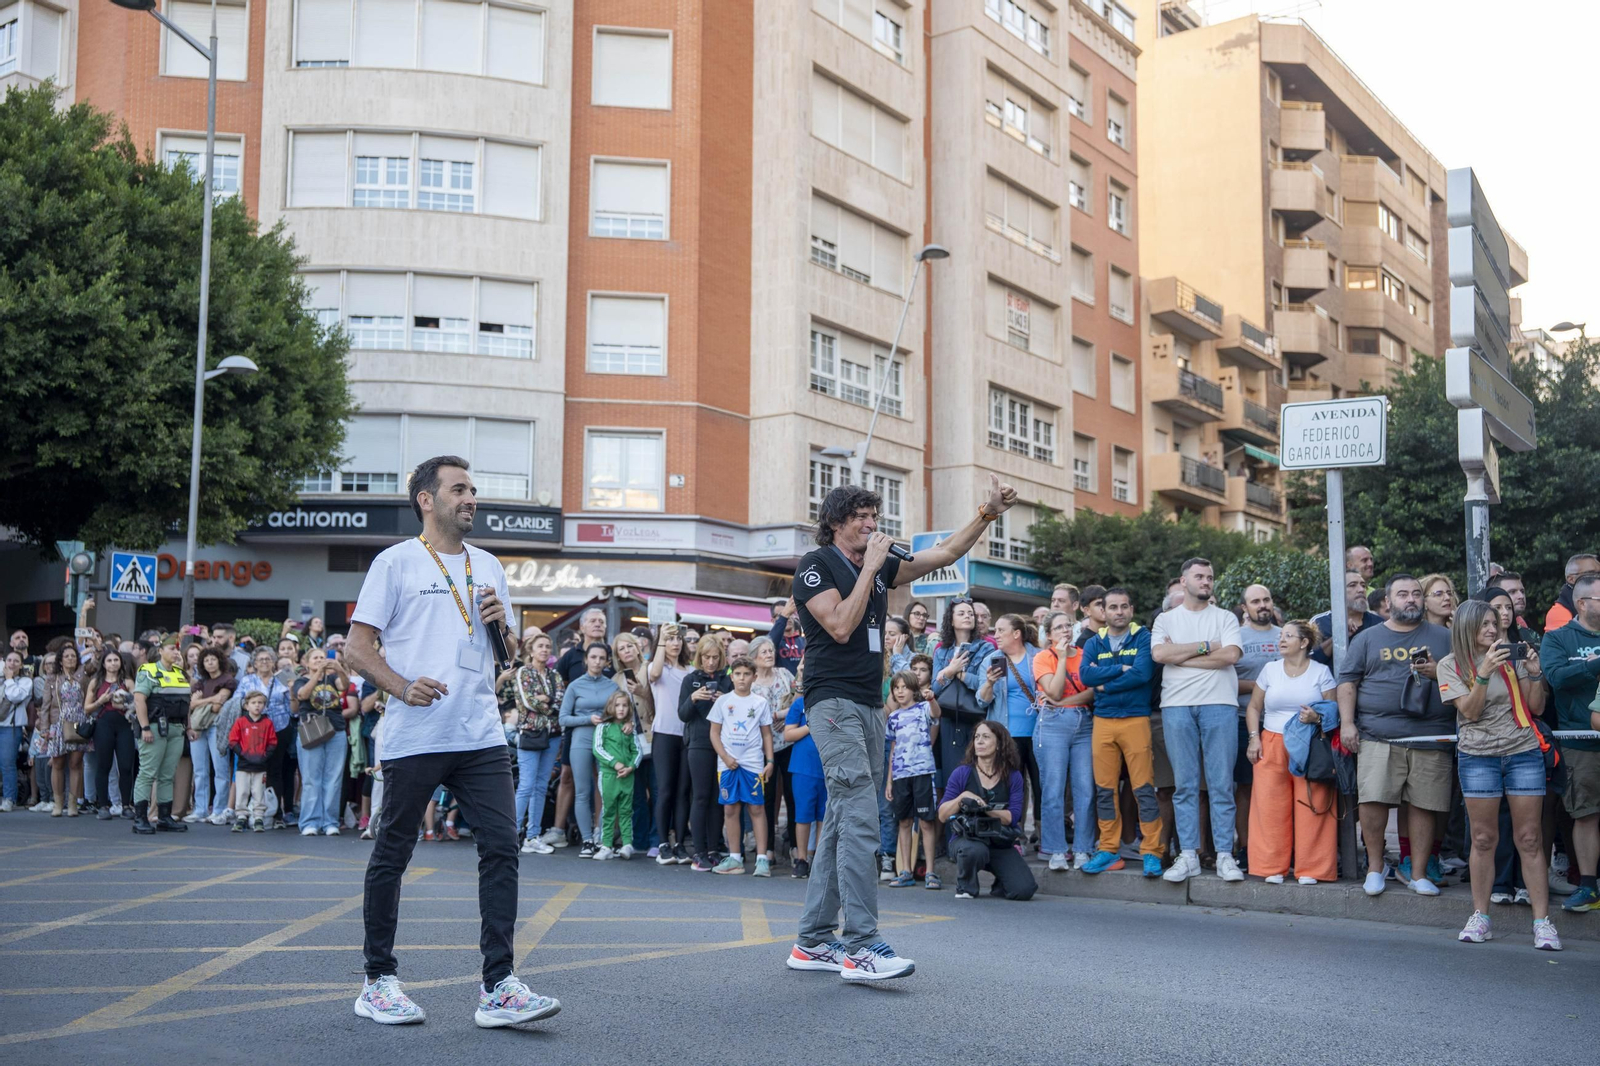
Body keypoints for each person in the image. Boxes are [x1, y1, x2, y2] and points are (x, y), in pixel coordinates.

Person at [342, 455, 559, 1028]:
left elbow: (505, 658)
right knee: (393, 853)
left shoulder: (488, 565)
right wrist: (401, 685)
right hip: (415, 734)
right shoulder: (395, 563)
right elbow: (357, 649)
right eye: (458, 489)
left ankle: (499, 986)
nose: (471, 498)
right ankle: (378, 980)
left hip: (480, 732)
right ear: (426, 499)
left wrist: (502, 628)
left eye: (473, 489)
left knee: (501, 848)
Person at [787, 474, 1017, 983]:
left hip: (869, 705)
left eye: (875, 518)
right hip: (832, 703)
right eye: (862, 519)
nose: (873, 525)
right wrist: (871, 566)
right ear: (836, 523)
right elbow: (841, 625)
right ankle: (862, 945)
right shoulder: (815, 567)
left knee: (846, 821)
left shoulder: (880, 561)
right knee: (861, 815)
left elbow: (944, 554)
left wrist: (987, 512)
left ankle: (812, 940)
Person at [1438, 599, 1560, 949]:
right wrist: (1485, 672)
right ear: (1465, 628)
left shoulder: (1511, 658)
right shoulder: (1450, 665)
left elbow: (1536, 707)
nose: (1493, 629)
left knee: (1530, 838)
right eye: (1485, 624)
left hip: (1522, 752)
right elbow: (1471, 712)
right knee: (1483, 839)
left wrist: (1534, 672)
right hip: (1478, 757)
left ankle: (1542, 922)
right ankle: (1481, 916)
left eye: (1495, 623)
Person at [1336, 573, 1454, 897]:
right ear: (1388, 602)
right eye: (1403, 594)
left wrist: (1439, 670)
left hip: (1431, 735)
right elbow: (1347, 681)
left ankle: (1417, 873)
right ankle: (1375, 867)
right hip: (1378, 733)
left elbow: (1466, 676)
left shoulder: (1445, 637)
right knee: (1373, 800)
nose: (1411, 599)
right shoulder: (1368, 638)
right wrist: (1348, 724)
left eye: (1416, 593)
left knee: (1424, 804)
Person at [1153, 558, 1245, 884]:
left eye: (1210, 576)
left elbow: (1231, 656)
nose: (1206, 581)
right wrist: (1207, 648)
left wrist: (1183, 657)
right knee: (1185, 786)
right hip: (1177, 706)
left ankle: (1224, 856)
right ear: (1184, 581)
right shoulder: (1165, 619)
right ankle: (1188, 855)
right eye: (1200, 576)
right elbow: (1160, 656)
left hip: (1219, 704)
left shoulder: (1225, 618)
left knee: (1221, 785)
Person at [1244, 619, 1337, 884]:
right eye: (1281, 636)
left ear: (1304, 643)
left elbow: (1332, 712)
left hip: (1309, 743)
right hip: (1271, 741)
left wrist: (1317, 718)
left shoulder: (1320, 672)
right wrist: (1254, 738)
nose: (1281, 640)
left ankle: (1313, 868)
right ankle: (1270, 866)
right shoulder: (1270, 670)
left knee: (1313, 802)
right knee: (1269, 806)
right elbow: (1253, 707)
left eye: (1288, 636)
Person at [1079, 588, 1162, 876]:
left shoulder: (1144, 638)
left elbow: (1142, 674)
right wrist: (1120, 668)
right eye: (1112, 607)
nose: (1118, 612)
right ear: (1104, 610)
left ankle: (1152, 851)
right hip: (1103, 721)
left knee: (1143, 789)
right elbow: (1084, 676)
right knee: (1105, 790)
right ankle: (1108, 849)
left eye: (1123, 606)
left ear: (1131, 609)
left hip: (1136, 719)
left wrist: (1104, 684)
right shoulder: (1093, 642)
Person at [1541, 570, 1600, 912]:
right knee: (1586, 815)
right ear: (1582, 602)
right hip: (1581, 742)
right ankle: (1589, 887)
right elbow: (1557, 678)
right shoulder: (1559, 638)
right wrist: (1595, 665)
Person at [938, 720, 1036, 902]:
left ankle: (1001, 883)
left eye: (986, 737)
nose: (979, 742)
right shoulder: (962, 773)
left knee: (1024, 890)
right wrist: (962, 798)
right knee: (973, 851)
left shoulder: (1013, 776)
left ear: (999, 744)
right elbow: (943, 814)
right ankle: (966, 886)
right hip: (967, 840)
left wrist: (985, 808)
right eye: (976, 737)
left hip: (999, 841)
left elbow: (1012, 817)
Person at [971, 615, 1043, 852]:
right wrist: (989, 683)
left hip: (1040, 731)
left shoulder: (1037, 656)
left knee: (1042, 783)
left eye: (1001, 630)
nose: (996, 634)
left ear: (1017, 634)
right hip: (1006, 734)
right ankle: (1016, 835)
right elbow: (982, 701)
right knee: (1013, 784)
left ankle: (1043, 835)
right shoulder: (992, 659)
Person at [1033, 610, 1096, 870]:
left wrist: (1065, 702)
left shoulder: (1084, 655)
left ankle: (1083, 848)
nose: (1065, 631)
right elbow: (1054, 689)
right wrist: (1060, 658)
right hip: (1053, 725)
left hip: (1084, 723)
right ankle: (1055, 850)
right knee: (1053, 788)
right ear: (1048, 635)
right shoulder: (1042, 658)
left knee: (1085, 789)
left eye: (1068, 626)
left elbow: (1093, 692)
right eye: (1058, 628)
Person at [708, 656, 774, 875]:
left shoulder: (760, 702)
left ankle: (762, 859)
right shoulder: (723, 701)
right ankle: (735, 857)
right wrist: (725, 757)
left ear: (754, 677)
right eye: (737, 674)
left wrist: (770, 760)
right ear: (732, 676)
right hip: (727, 765)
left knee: (756, 807)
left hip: (752, 764)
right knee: (730, 808)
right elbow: (714, 733)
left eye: (746, 674)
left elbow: (766, 734)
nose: (742, 678)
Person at [1232, 584, 1283, 860]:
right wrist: (1262, 686)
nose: (1262, 605)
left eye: (1266, 599)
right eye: (1255, 601)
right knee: (1246, 786)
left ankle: (1278, 848)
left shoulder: (1285, 636)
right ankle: (1246, 847)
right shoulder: (1235, 637)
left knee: (1280, 787)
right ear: (1245, 608)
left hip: (1284, 724)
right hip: (1243, 720)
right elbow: (1226, 681)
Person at [558, 642, 622, 858]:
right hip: (581, 739)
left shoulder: (612, 686)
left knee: (606, 790)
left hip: (607, 740)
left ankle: (602, 837)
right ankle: (587, 840)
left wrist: (618, 721)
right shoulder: (575, 686)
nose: (597, 661)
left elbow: (621, 712)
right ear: (586, 659)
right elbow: (563, 718)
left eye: (601, 658)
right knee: (583, 790)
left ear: (607, 662)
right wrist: (588, 719)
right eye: (593, 657)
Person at [678, 637, 732, 871]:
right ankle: (698, 852)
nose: (710, 662)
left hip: (723, 745)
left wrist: (725, 701)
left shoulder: (727, 680)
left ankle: (714, 849)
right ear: (699, 657)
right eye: (706, 657)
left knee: (717, 799)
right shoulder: (690, 680)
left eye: (715, 658)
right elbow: (683, 715)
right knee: (700, 797)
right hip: (698, 744)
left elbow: (735, 713)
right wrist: (693, 698)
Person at [884, 671, 941, 889]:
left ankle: (931, 872)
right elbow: (893, 748)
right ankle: (905, 870)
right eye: (896, 688)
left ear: (913, 690)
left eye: (904, 687)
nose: (899, 692)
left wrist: (932, 699)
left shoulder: (923, 708)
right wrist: (889, 780)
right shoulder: (893, 717)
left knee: (926, 822)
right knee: (904, 822)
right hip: (900, 775)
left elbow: (937, 714)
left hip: (922, 772)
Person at [131, 637, 192, 834]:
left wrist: (188, 727)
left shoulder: (179, 673)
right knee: (147, 773)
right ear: (160, 651)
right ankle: (140, 817)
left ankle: (165, 817)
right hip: (156, 727)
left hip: (176, 728)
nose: (176, 653)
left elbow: (186, 703)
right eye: (171, 649)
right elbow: (139, 701)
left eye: (178, 650)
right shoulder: (148, 671)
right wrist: (145, 728)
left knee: (167, 774)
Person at [293, 648, 354, 837]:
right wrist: (318, 673)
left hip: (335, 730)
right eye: (315, 658)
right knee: (311, 778)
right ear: (307, 662)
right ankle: (310, 822)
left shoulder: (334, 678)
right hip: (311, 731)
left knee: (334, 779)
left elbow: (344, 686)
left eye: (322, 657)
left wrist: (339, 668)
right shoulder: (301, 679)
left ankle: (330, 822)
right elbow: (302, 695)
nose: (320, 660)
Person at [511, 634, 563, 855]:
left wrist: (546, 700)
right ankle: (510, 834)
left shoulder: (555, 674)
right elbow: (527, 701)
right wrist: (546, 701)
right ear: (531, 651)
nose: (544, 649)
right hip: (531, 734)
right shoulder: (524, 672)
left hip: (552, 735)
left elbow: (560, 700)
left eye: (548, 646)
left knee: (541, 786)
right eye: (540, 646)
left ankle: (533, 835)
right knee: (526, 785)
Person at [749, 635, 796, 868]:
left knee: (792, 794)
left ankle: (795, 845)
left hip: (788, 741)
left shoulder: (785, 675)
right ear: (754, 658)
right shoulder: (751, 683)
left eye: (770, 651)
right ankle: (766, 847)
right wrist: (768, 719)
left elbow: (800, 699)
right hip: (761, 746)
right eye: (764, 652)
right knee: (766, 798)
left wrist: (780, 715)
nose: (769, 654)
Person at [648, 623, 693, 864]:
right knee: (665, 791)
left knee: (683, 792)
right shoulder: (657, 667)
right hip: (664, 734)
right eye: (671, 639)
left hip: (686, 736)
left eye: (679, 639)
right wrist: (661, 640)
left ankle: (679, 845)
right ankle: (663, 843)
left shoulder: (690, 670)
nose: (676, 643)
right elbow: (654, 675)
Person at [236, 648, 294, 829]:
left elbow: (291, 706)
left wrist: (293, 691)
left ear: (274, 661)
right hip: (254, 731)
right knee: (253, 772)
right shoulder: (247, 680)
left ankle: (276, 814)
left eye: (268, 659)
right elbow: (238, 701)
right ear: (254, 663)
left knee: (276, 772)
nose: (264, 662)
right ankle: (249, 814)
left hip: (279, 728)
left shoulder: (283, 678)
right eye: (260, 659)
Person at [611, 632, 656, 856]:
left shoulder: (651, 669)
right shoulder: (617, 679)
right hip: (631, 742)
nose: (627, 650)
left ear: (638, 647)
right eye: (622, 648)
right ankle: (639, 840)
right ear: (618, 654)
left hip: (653, 737)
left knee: (657, 791)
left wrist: (642, 692)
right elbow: (614, 710)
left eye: (630, 646)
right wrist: (623, 723)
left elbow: (661, 702)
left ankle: (657, 840)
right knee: (636, 794)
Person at [931, 599, 980, 789]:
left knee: (976, 772)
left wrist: (960, 673)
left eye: (970, 613)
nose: (967, 616)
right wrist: (950, 671)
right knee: (953, 774)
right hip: (949, 717)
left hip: (977, 714)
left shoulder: (986, 648)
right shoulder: (941, 651)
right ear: (951, 621)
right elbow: (935, 689)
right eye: (961, 613)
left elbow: (982, 684)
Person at [38, 642, 89, 817]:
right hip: (58, 723)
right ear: (60, 660)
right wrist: (44, 729)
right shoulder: (52, 678)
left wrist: (94, 646)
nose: (70, 659)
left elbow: (96, 663)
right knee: (58, 763)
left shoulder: (82, 674)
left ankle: (73, 803)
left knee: (75, 763)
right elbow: (45, 706)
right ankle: (58, 803)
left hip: (79, 721)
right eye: (66, 656)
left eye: (73, 656)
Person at [186, 647, 234, 825]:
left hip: (217, 727)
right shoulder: (200, 682)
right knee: (199, 770)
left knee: (220, 769)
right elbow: (192, 704)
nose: (210, 663)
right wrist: (208, 700)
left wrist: (200, 701)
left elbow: (219, 703)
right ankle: (200, 809)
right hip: (198, 727)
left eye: (213, 659)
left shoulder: (228, 680)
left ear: (220, 660)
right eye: (206, 661)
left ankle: (219, 809)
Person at [594, 690, 642, 860]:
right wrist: (615, 763)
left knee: (626, 811)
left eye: (624, 705)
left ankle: (627, 844)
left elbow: (637, 750)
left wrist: (630, 767)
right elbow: (598, 749)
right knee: (608, 810)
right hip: (608, 776)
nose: (621, 709)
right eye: (617, 705)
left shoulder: (630, 729)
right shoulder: (603, 727)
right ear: (611, 707)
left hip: (627, 777)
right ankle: (606, 845)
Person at [783, 671, 823, 879]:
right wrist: (809, 726)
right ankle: (801, 858)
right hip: (803, 768)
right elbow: (788, 734)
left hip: (826, 768)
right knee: (803, 815)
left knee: (824, 816)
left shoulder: (831, 705)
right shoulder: (799, 705)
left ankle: (819, 859)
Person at [228, 690, 278, 832]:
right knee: (242, 791)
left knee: (258, 792)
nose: (257, 706)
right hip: (243, 765)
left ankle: (258, 818)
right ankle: (241, 817)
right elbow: (232, 740)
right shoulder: (241, 722)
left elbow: (272, 742)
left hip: (260, 765)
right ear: (246, 705)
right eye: (253, 703)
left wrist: (264, 756)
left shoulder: (267, 723)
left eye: (260, 703)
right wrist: (243, 754)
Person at [1312, 571, 1384, 668]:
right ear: (1338, 591)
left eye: (1363, 585)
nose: (1361, 590)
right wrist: (1339, 635)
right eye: (1352, 585)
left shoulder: (1379, 623)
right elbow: (1309, 662)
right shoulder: (1320, 622)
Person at [1, 651, 31, 811]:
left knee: (7, 764)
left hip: (11, 728)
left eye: (16, 661)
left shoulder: (25, 681)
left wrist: (9, 680)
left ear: (21, 664)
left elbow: (15, 696)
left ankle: (9, 798)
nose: (11, 663)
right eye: (9, 660)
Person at [1544, 553, 1600, 633]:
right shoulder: (1559, 613)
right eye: (1591, 573)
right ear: (1571, 579)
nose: (1597, 578)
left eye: (1599, 573)